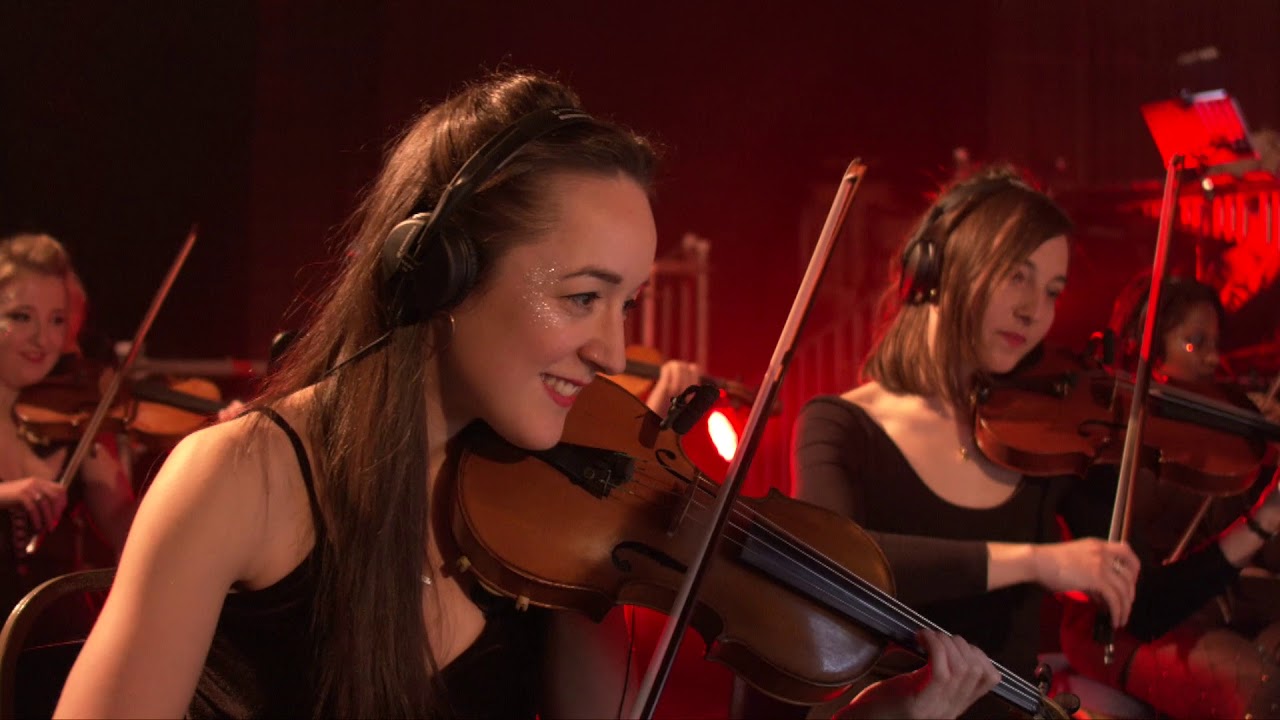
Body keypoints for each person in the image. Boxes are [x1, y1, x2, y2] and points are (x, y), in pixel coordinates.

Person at [56, 71, 998, 719]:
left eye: (627, 303)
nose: (615, 349)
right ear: (440, 272)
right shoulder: (238, 479)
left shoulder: (567, 528)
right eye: (583, 297)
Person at [783, 166, 1280, 719]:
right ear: (938, 269)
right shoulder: (839, 425)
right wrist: (1036, 562)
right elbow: (834, 567)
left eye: (1051, 290)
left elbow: (1143, 610)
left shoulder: (1049, 434)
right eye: (1015, 276)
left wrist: (1263, 520)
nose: (1034, 310)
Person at [1058, 271, 1280, 719]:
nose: (1215, 359)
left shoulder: (1227, 435)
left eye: (1216, 344)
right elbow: (1147, 608)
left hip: (1215, 610)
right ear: (1147, 346)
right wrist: (1262, 521)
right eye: (1195, 343)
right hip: (1121, 631)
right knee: (1264, 692)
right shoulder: (1106, 456)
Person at [0, 233, 135, 619]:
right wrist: (9, 493)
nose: (43, 339)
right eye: (21, 316)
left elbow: (121, 520)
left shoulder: (76, 416)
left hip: (53, 633)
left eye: (57, 320)